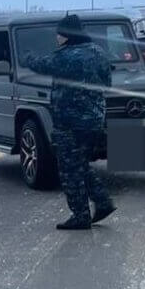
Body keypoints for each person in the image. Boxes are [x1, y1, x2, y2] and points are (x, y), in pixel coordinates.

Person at [21, 14, 115, 230]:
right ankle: (102, 202)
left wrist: (25, 56)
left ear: (67, 35)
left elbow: (40, 64)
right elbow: (107, 84)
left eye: (59, 34)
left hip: (70, 123)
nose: (57, 38)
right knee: (80, 164)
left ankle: (80, 215)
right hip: (94, 120)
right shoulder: (98, 53)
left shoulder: (66, 56)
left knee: (69, 171)